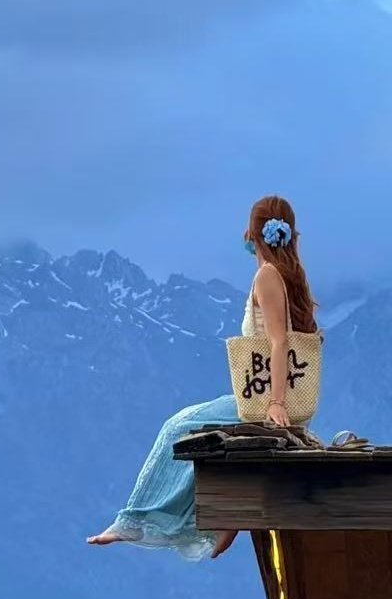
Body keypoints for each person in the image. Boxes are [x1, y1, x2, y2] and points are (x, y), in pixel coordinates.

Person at [88, 195, 319, 561]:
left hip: (267, 402)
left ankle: (135, 519)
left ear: (252, 234)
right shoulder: (287, 276)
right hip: (272, 400)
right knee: (200, 425)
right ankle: (223, 522)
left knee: (179, 427)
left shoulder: (267, 276)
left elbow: (279, 342)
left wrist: (276, 403)